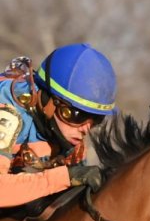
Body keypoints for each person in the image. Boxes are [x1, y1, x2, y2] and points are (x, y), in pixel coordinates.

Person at [0, 43, 116, 209]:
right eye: (78, 115)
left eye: (97, 119)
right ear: (49, 101)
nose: (86, 128)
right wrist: (65, 177)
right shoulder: (7, 112)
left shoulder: (69, 133)